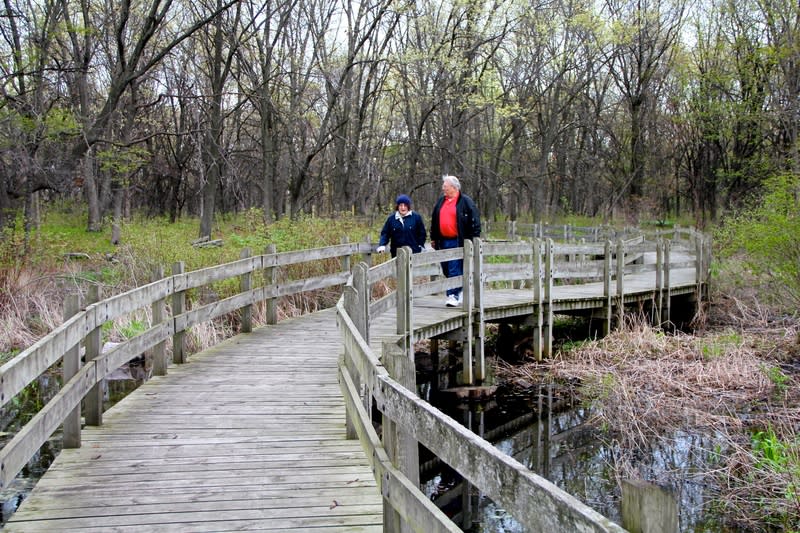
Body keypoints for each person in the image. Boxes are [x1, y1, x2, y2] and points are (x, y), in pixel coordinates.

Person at [430, 175, 481, 306]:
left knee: (454, 268)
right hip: (443, 240)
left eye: (445, 186)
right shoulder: (441, 201)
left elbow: (475, 221)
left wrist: (474, 239)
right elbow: (434, 220)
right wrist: (434, 238)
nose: (443, 188)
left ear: (454, 187)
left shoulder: (465, 202)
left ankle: (452, 295)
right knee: (446, 268)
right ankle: (458, 290)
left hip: (458, 240)